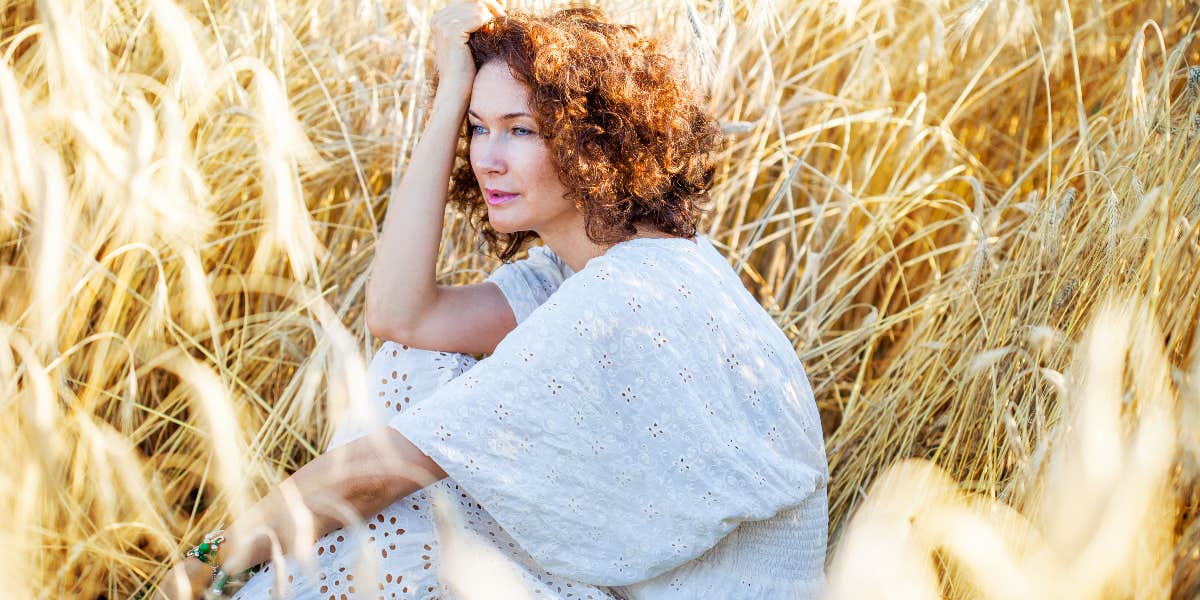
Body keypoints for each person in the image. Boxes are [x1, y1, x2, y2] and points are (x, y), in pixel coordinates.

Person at [158, 2, 829, 598]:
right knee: (413, 368)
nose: (488, 158)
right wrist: (452, 90)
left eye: (520, 129)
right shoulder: (584, 275)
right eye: (478, 129)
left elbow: (384, 472)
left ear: (594, 142)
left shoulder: (630, 296)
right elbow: (403, 317)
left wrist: (211, 560)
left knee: (406, 524)